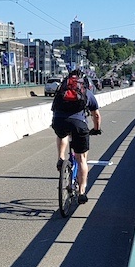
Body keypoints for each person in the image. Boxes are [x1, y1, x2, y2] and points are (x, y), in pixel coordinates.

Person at [51, 69, 102, 204]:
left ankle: (61, 158)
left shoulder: (61, 90)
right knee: (81, 160)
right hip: (79, 125)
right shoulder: (86, 92)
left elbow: (54, 108)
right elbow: (96, 115)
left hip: (59, 121)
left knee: (62, 134)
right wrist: (96, 129)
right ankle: (81, 192)